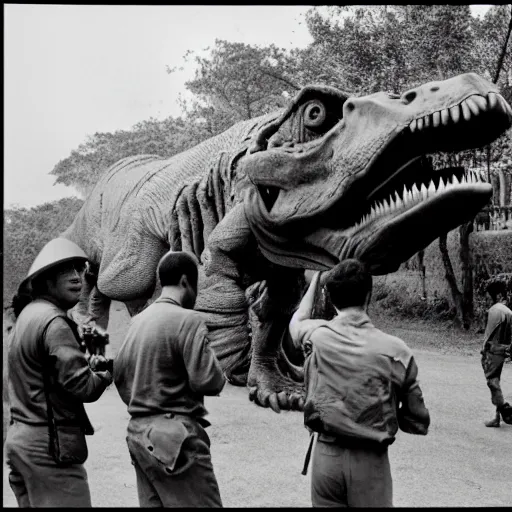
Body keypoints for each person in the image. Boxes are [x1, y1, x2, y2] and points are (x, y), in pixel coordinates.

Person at [290, 259, 430, 508]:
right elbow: (416, 418)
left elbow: (299, 318)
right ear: (369, 295)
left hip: (325, 460)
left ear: (331, 298)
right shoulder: (397, 351)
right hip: (369, 461)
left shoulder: (316, 336)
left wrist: (318, 279)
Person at [4, 237, 113, 508]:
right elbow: (82, 387)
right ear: (45, 280)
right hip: (47, 448)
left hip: (21, 440)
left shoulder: (29, 315)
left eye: (78, 270)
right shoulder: (55, 322)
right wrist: (109, 374)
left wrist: (90, 368)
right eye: (66, 271)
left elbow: (45, 375)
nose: (77, 277)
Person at [114, 250, 226, 507]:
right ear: (187, 282)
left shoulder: (137, 321)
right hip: (175, 440)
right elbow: (207, 380)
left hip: (139, 436)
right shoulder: (189, 319)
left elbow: (120, 377)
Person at [480, 274, 512, 427]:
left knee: (492, 382)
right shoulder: (508, 311)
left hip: (493, 351)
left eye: (489, 296)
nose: (488, 299)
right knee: (496, 381)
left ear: (496, 295)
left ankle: (504, 409)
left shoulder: (495, 310)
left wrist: (483, 350)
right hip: (503, 350)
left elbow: (489, 334)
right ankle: (497, 418)